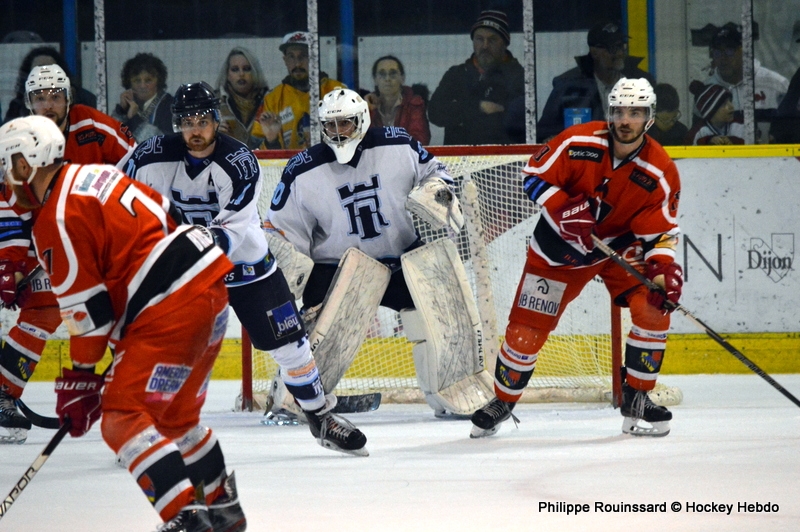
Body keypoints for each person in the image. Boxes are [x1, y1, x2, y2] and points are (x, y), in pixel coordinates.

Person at [0, 114, 245, 531]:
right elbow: (166, 216)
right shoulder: (94, 175)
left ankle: (186, 517)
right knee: (176, 418)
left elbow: (88, 313)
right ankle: (222, 510)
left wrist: (81, 378)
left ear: (26, 164)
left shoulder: (54, 217)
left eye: (7, 166)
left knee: (121, 417)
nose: (5, 181)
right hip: (209, 292)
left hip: (169, 305)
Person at [124, 82, 367, 456]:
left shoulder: (238, 160)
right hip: (186, 274)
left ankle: (321, 416)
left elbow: (232, 229)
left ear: (216, 121)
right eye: (187, 122)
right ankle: (150, 427)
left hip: (245, 268)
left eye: (203, 120)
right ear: (176, 125)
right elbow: (118, 198)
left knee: (291, 344)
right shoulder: (149, 157)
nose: (195, 130)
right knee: (164, 348)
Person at [470, 78, 683, 439]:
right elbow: (533, 176)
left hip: (617, 248)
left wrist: (663, 269)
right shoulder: (578, 141)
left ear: (649, 118)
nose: (625, 120)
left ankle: (638, 398)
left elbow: (660, 232)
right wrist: (562, 206)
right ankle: (503, 402)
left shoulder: (661, 170)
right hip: (559, 248)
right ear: (609, 113)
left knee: (652, 307)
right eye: (619, 111)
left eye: (635, 113)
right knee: (525, 334)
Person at [266, 88, 492, 420]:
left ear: (362, 120)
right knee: (324, 332)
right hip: (338, 268)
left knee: (442, 316)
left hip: (402, 260)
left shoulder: (397, 145)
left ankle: (451, 390)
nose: (338, 132)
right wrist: (290, 268)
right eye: (331, 125)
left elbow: (436, 173)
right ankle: (293, 399)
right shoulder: (303, 170)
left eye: (345, 123)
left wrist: (436, 191)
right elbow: (281, 229)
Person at [0, 64, 136, 444]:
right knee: (41, 306)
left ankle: (130, 399)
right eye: (39, 98)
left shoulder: (94, 126)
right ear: (28, 103)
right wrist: (10, 263)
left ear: (68, 97)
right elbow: (11, 204)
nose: (48, 105)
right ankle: (2, 394)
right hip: (45, 236)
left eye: (55, 96)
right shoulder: (18, 140)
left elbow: (138, 166)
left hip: (100, 238)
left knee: (116, 313)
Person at [536, 20, 655, 143]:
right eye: (612, 48)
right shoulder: (568, 86)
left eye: (621, 46)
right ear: (594, 52)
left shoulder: (641, 83)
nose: (620, 53)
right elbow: (545, 132)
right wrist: (554, 140)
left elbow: (655, 128)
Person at [428, 10, 524, 145]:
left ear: (504, 43)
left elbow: (519, 121)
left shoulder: (520, 76)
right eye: (479, 39)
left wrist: (460, 110)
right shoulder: (456, 74)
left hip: (504, 160)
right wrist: (479, 107)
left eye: (492, 40)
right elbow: (435, 113)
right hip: (459, 162)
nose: (485, 46)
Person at [251, 31, 345, 150]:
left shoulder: (337, 91)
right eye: (291, 56)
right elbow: (258, 150)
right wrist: (271, 140)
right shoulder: (272, 98)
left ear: (314, 58)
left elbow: (354, 137)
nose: (297, 63)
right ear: (285, 60)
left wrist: (328, 140)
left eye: (303, 56)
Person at [702, 22, 788, 143]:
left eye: (729, 51)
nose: (723, 58)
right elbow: (698, 134)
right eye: (717, 52)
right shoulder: (708, 90)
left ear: (744, 51)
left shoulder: (776, 84)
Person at [3, 45, 96, 123]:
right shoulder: (18, 107)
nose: (45, 74)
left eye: (55, 97)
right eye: (40, 99)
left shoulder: (84, 100)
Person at [364, 55, 431, 144]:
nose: (387, 79)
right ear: (375, 79)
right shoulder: (365, 105)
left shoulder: (414, 104)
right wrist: (367, 110)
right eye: (382, 74)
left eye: (393, 74)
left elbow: (420, 140)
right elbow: (359, 140)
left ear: (402, 78)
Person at [215, 46, 270, 150]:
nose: (241, 74)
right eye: (235, 69)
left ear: (255, 72)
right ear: (227, 74)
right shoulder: (214, 102)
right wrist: (213, 137)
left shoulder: (270, 100)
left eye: (247, 69)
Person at [111, 52, 174, 142]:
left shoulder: (171, 107)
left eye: (148, 80)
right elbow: (110, 139)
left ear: (158, 81)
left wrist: (134, 120)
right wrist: (121, 112)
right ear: (129, 83)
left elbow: (162, 144)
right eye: (137, 80)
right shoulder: (128, 105)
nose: (142, 86)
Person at [685, 81, 744, 145]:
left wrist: (733, 141)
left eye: (730, 101)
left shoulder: (740, 125)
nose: (731, 106)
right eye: (724, 104)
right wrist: (708, 141)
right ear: (711, 112)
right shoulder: (697, 132)